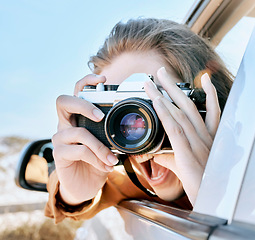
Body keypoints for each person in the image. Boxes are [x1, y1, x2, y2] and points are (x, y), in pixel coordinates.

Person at [45, 18, 232, 223]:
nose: (136, 126)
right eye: (116, 110)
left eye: (156, 101)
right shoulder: (127, 179)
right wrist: (74, 192)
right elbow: (80, 198)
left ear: (204, 102)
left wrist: (215, 193)